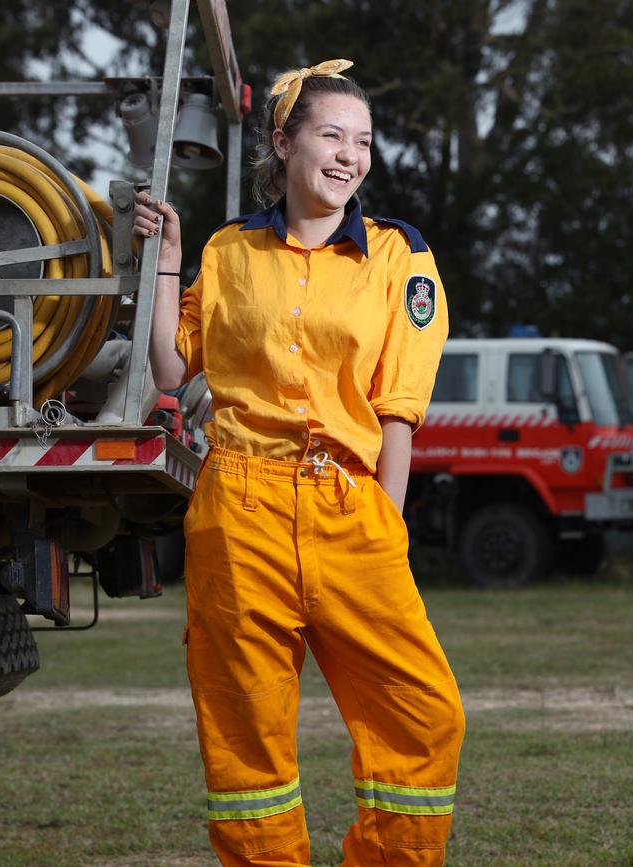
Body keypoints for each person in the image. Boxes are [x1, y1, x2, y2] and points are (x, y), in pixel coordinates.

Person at [134, 58, 465, 867]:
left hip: (352, 508)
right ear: (284, 143)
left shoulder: (400, 257)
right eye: (331, 135)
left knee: (425, 717)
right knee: (247, 739)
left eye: (364, 141)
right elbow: (172, 375)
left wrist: (385, 517)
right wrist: (167, 258)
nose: (350, 155)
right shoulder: (228, 250)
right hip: (237, 505)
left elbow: (398, 408)